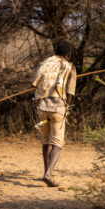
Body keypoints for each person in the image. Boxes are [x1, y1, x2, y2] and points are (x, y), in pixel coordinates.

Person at [32, 40, 77, 187]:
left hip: (41, 107)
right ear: (68, 55)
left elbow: (34, 83)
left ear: (56, 51)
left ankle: (46, 172)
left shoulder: (44, 63)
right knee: (57, 142)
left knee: (45, 141)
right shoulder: (69, 67)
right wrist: (67, 107)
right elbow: (70, 92)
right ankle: (49, 173)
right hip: (58, 107)